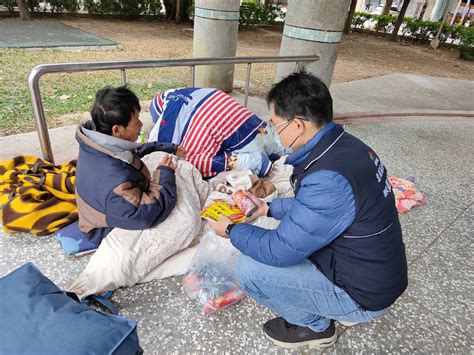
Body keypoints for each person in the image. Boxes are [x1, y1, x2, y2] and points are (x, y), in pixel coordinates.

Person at [209, 71, 408, 349]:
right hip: (374, 271)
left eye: (275, 124)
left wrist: (231, 229)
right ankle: (330, 307)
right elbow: (320, 209)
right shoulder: (348, 147)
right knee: (284, 235)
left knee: (250, 270)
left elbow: (279, 251)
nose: (272, 131)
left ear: (298, 125)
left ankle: (316, 328)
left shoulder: (328, 178)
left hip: (364, 293)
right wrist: (267, 208)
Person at [75, 86, 187, 238]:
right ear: (117, 130)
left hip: (114, 204)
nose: (141, 124)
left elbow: (132, 151)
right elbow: (146, 215)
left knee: (160, 160)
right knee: (186, 223)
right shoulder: (116, 182)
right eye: (136, 121)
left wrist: (169, 148)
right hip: (105, 230)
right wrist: (165, 175)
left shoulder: (97, 140)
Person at [148, 87, 285, 178]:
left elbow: (190, 161)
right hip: (260, 129)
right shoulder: (188, 92)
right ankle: (279, 148)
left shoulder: (185, 130)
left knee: (187, 161)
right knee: (272, 142)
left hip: (249, 149)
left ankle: (257, 162)